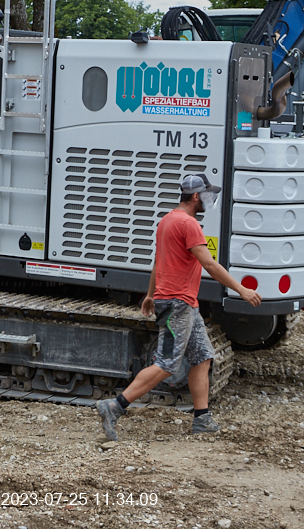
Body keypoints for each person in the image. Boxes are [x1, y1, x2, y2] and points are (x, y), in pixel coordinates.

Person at [96, 173, 262, 440]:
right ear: (195, 196)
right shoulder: (188, 224)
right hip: (177, 304)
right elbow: (209, 264)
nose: (209, 199)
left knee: (202, 357)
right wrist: (241, 289)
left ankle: (202, 419)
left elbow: (158, 262)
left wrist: (150, 295)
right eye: (206, 195)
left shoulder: (167, 221)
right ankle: (115, 406)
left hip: (183, 303)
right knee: (167, 364)